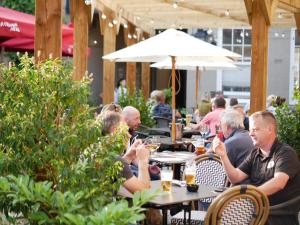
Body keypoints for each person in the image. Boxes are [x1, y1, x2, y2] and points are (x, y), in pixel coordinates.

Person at [212, 111, 300, 225]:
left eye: (255, 130)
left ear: (269, 129)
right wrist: (223, 155)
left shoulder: (285, 153)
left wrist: (249, 195)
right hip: (254, 211)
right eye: (250, 130)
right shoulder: (255, 153)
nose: (250, 134)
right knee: (216, 212)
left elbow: (279, 182)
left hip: (274, 215)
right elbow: (235, 177)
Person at [99, 110, 150, 193]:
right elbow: (143, 194)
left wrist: (128, 157)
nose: (129, 135)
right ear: (114, 131)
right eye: (125, 129)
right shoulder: (114, 159)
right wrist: (143, 161)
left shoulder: (95, 151)